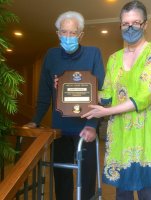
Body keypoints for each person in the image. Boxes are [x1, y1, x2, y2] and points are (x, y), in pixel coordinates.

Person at [82, 1, 151, 200]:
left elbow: (144, 97)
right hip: (119, 130)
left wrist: (106, 112)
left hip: (144, 130)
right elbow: (107, 94)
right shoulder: (114, 58)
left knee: (145, 189)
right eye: (125, 23)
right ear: (120, 25)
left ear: (145, 24)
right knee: (122, 190)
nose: (130, 27)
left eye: (135, 22)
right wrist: (72, 90)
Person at [24, 11, 105, 200]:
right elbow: (44, 93)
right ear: (58, 33)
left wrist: (92, 126)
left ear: (81, 35)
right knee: (61, 178)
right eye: (64, 32)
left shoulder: (93, 53)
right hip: (59, 128)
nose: (68, 37)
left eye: (73, 33)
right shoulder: (51, 56)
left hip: (86, 127)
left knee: (86, 179)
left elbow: (100, 92)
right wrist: (35, 121)